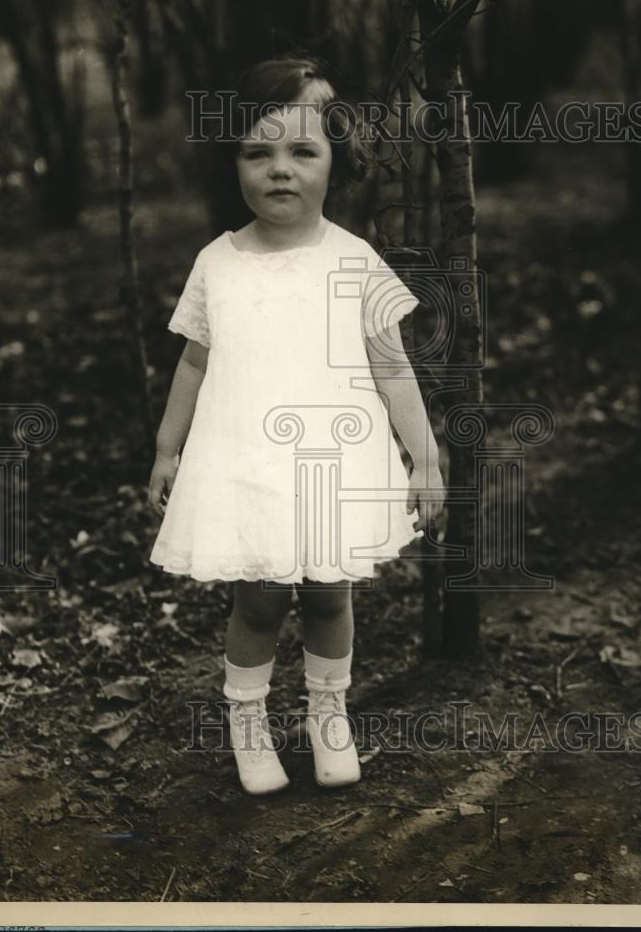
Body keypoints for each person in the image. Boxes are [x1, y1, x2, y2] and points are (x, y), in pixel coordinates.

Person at [147, 57, 444, 796]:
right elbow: (192, 364)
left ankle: (326, 711)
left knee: (328, 591)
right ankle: (247, 723)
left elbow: (393, 368)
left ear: (333, 161)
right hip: (245, 463)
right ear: (236, 163)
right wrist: (165, 450)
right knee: (258, 598)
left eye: (302, 151)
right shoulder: (218, 261)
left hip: (331, 465)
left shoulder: (355, 260)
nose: (280, 170)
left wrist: (426, 459)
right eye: (258, 151)